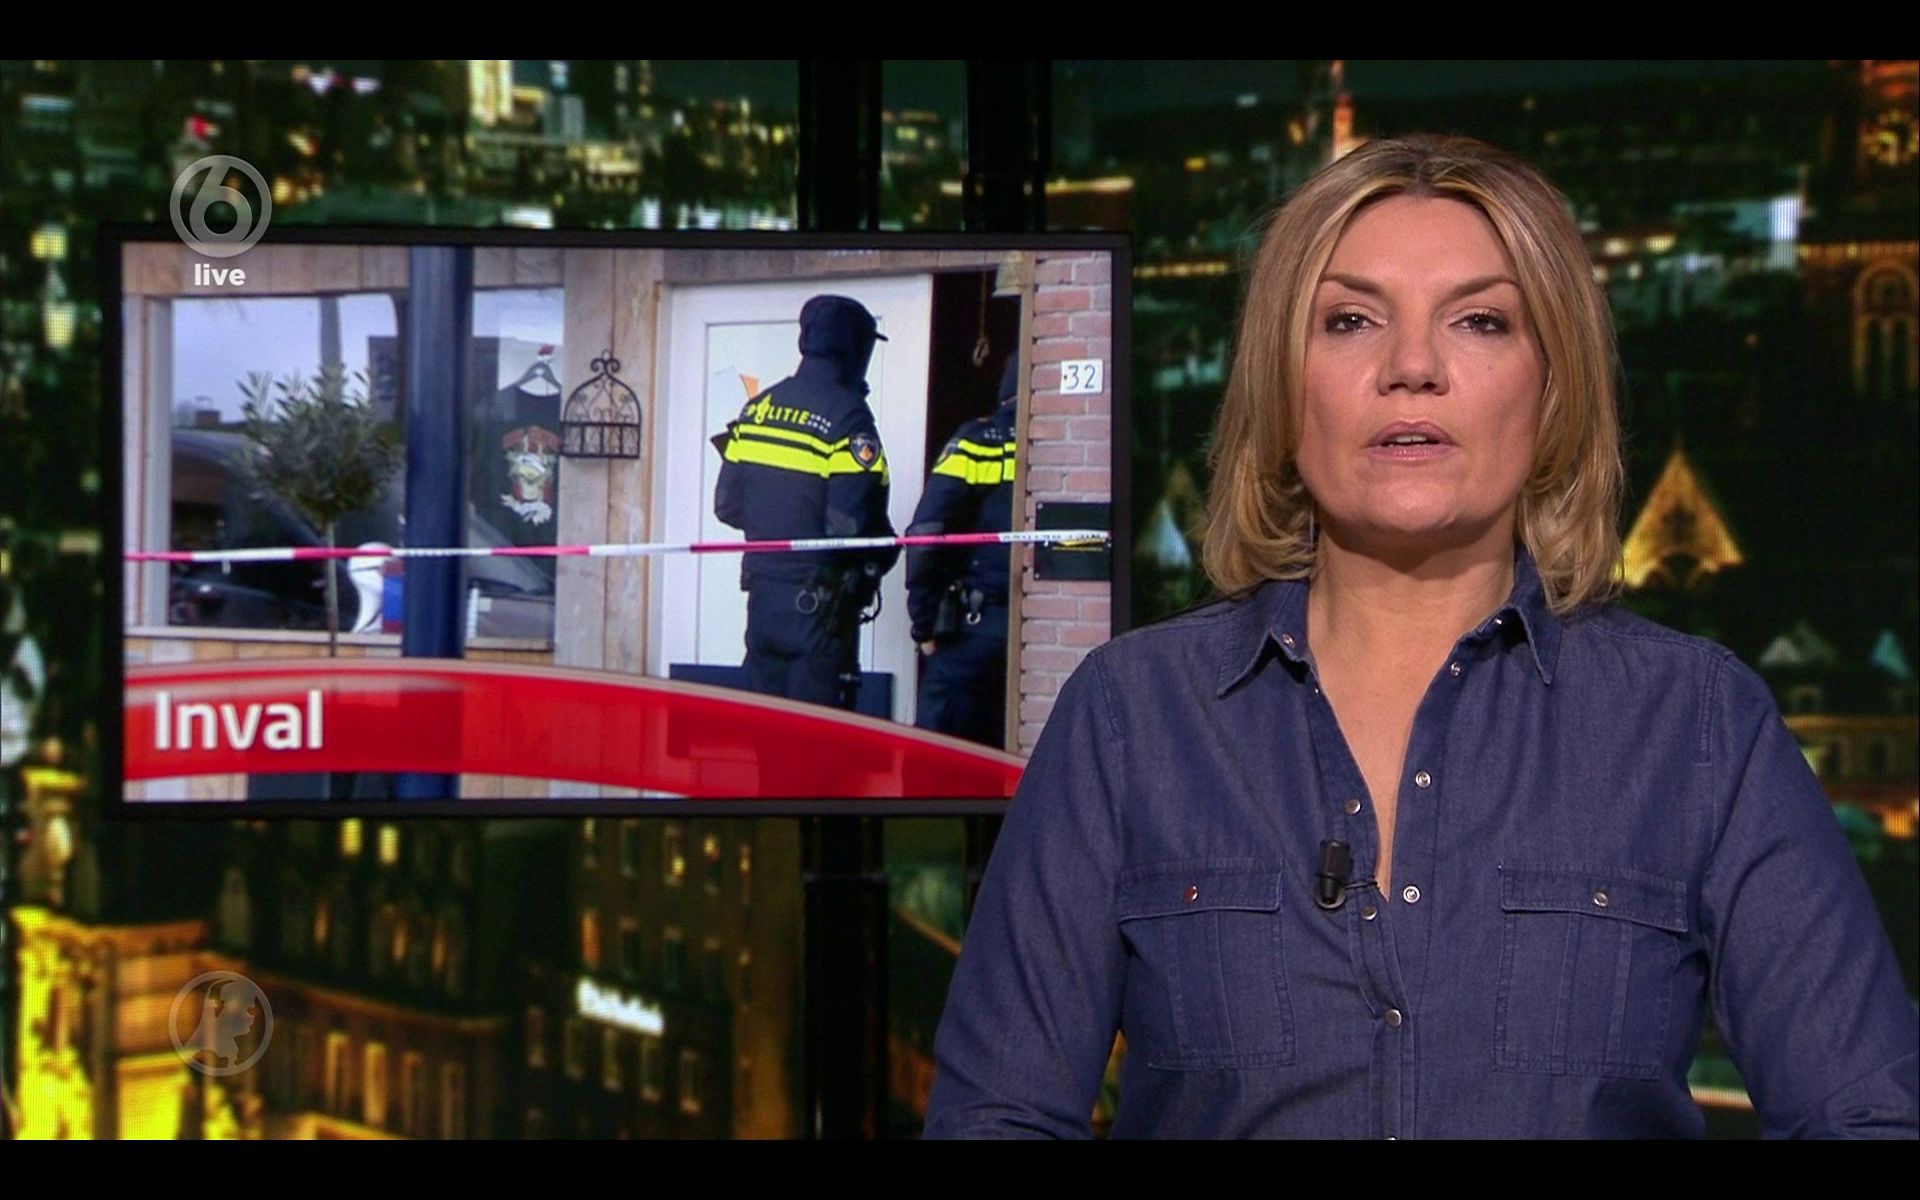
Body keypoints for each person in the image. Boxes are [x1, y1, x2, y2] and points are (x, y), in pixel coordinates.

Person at [923, 134, 1919, 1138]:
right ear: (1280, 383)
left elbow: (1867, 1114)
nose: (1411, 369)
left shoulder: (1696, 724)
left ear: (1553, 386)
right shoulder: (1129, 718)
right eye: (1350, 321)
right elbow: (996, 1118)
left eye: (1480, 321)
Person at [713, 294, 899, 711]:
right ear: (856, 348)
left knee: (767, 732)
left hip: (763, 602)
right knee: (819, 741)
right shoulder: (848, 416)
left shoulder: (757, 409)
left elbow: (727, 506)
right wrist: (886, 551)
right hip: (821, 612)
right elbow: (850, 525)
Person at [905, 354, 1020, 747]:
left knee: (937, 760)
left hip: (973, 630)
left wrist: (923, 624)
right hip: (1034, 633)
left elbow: (925, 534)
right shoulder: (1060, 443)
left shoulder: (977, 440)